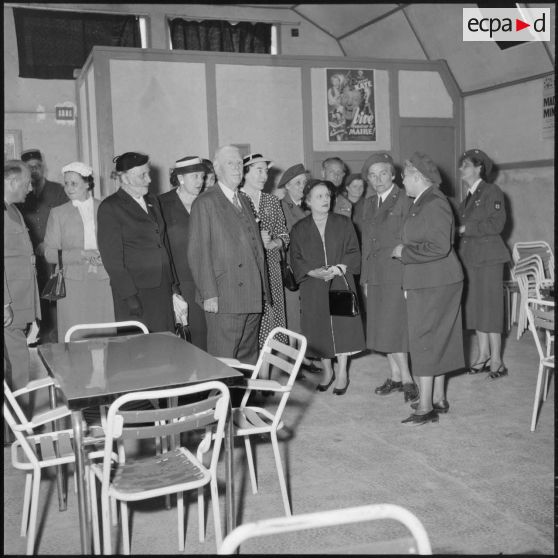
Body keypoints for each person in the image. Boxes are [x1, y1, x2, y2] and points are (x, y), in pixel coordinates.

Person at [392, 152, 464, 425]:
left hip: (435, 281)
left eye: (405, 176)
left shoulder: (433, 203)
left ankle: (425, 406)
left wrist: (404, 252)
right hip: (433, 278)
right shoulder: (422, 201)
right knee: (436, 338)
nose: (402, 181)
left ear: (418, 178)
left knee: (425, 339)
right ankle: (438, 398)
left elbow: (439, 246)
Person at [187, 145, 270, 364]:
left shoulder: (243, 199)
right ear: (217, 168)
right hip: (225, 297)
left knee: (247, 360)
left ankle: (242, 399)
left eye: (239, 163)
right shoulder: (205, 202)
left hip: (252, 295)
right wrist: (209, 294)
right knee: (223, 362)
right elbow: (198, 252)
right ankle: (223, 400)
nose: (237, 168)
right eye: (230, 163)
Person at [290, 179, 365, 395]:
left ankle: (342, 372)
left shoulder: (343, 223)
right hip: (313, 285)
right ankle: (327, 370)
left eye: (327, 196)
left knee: (343, 328)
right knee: (319, 328)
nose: (325, 200)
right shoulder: (299, 229)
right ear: (308, 201)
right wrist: (311, 272)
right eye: (319, 196)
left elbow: (353, 251)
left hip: (340, 280)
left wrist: (339, 268)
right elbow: (295, 258)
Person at [97, 152, 187, 332]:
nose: (149, 180)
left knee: (165, 342)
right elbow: (112, 259)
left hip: (161, 287)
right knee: (138, 348)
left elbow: (163, 244)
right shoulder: (110, 207)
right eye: (142, 175)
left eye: (148, 173)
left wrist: (174, 286)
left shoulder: (153, 201)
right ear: (125, 178)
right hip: (135, 291)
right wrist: (129, 297)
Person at [359, 152, 418, 403]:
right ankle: (395, 375)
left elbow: (411, 239)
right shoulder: (369, 204)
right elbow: (366, 244)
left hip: (396, 272)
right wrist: (365, 278)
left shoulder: (405, 199)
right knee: (382, 328)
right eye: (372, 175)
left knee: (395, 328)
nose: (378, 179)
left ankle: (407, 379)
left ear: (393, 174)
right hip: (375, 274)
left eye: (383, 173)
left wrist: (409, 276)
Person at [43, 162, 114, 341]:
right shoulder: (58, 213)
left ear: (88, 183)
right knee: (75, 339)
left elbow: (116, 244)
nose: (68, 188)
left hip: (104, 279)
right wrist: (82, 254)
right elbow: (50, 253)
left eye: (74, 183)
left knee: (105, 336)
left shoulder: (106, 208)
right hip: (72, 283)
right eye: (66, 183)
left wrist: (104, 256)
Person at [457, 149, 510, 380]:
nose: (461, 169)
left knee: (490, 308)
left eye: (466, 165)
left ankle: (497, 360)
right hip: (471, 258)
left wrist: (466, 229)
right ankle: (483, 355)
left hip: (489, 258)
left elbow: (496, 224)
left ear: (479, 168)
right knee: (477, 309)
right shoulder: (466, 198)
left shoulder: (491, 191)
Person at [18, 148, 68, 342]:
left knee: (55, 298)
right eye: (30, 168)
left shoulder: (58, 191)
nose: (35, 171)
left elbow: (65, 220)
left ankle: (57, 339)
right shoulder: (22, 194)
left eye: (38, 166)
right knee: (36, 300)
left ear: (43, 167)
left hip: (54, 257)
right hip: (31, 259)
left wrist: (47, 244)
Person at [241, 153, 289, 350]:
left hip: (271, 269)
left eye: (266, 171)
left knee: (274, 316)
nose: (264, 176)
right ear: (244, 173)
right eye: (258, 170)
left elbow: (284, 235)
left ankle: (273, 362)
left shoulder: (272, 201)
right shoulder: (236, 200)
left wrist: (275, 243)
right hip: (248, 270)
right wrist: (256, 240)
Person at [159, 156, 208, 350]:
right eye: (195, 176)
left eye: (202, 177)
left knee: (204, 337)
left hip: (206, 282)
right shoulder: (162, 204)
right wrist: (171, 289)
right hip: (178, 282)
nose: (200, 182)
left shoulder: (207, 202)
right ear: (180, 178)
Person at [4, 160, 41, 398]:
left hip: (19, 304)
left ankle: (17, 427)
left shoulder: (14, 210)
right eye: (27, 183)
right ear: (12, 181)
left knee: (18, 366)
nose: (30, 189)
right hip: (8, 307)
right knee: (16, 365)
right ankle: (17, 429)